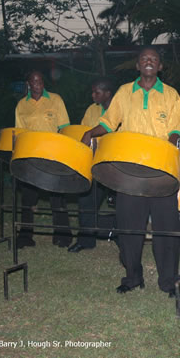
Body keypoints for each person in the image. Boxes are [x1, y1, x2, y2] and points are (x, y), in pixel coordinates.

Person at [81, 47, 180, 298]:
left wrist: (167, 146)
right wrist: (91, 132)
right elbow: (109, 121)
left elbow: (175, 130)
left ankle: (168, 281)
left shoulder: (171, 95)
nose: (149, 62)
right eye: (144, 59)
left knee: (166, 228)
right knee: (129, 227)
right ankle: (132, 277)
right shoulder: (125, 92)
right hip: (128, 171)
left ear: (160, 67)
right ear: (137, 65)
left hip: (160, 170)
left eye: (154, 60)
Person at [14, 70, 72, 248]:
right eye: (33, 81)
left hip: (53, 154)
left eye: (39, 80)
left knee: (57, 197)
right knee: (28, 198)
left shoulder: (55, 100)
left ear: (43, 82)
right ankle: (25, 236)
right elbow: (19, 132)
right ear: (28, 84)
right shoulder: (21, 105)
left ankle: (62, 235)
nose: (37, 84)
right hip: (31, 155)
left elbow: (64, 128)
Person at [68, 78, 116, 253]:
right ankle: (86, 240)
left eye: (97, 92)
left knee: (121, 203)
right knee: (86, 200)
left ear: (107, 93)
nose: (93, 95)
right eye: (93, 91)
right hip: (94, 160)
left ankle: (119, 235)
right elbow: (83, 132)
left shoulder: (120, 108)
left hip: (115, 162)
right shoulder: (91, 110)